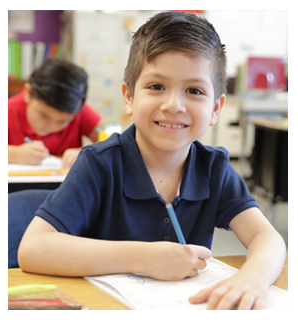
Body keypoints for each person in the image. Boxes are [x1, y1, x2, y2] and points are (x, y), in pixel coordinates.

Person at [18, 12, 286, 310]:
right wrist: (143, 257)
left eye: (194, 90)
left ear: (216, 108)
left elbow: (268, 238)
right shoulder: (99, 164)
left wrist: (255, 278)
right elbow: (33, 248)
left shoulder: (214, 169)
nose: (173, 105)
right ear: (129, 97)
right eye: (156, 86)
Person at [8, 58, 102, 168]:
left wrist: (87, 153)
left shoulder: (76, 110)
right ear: (28, 93)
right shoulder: (8, 110)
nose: (50, 126)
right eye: (44, 116)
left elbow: (110, 142)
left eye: (62, 121)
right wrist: (14, 154)